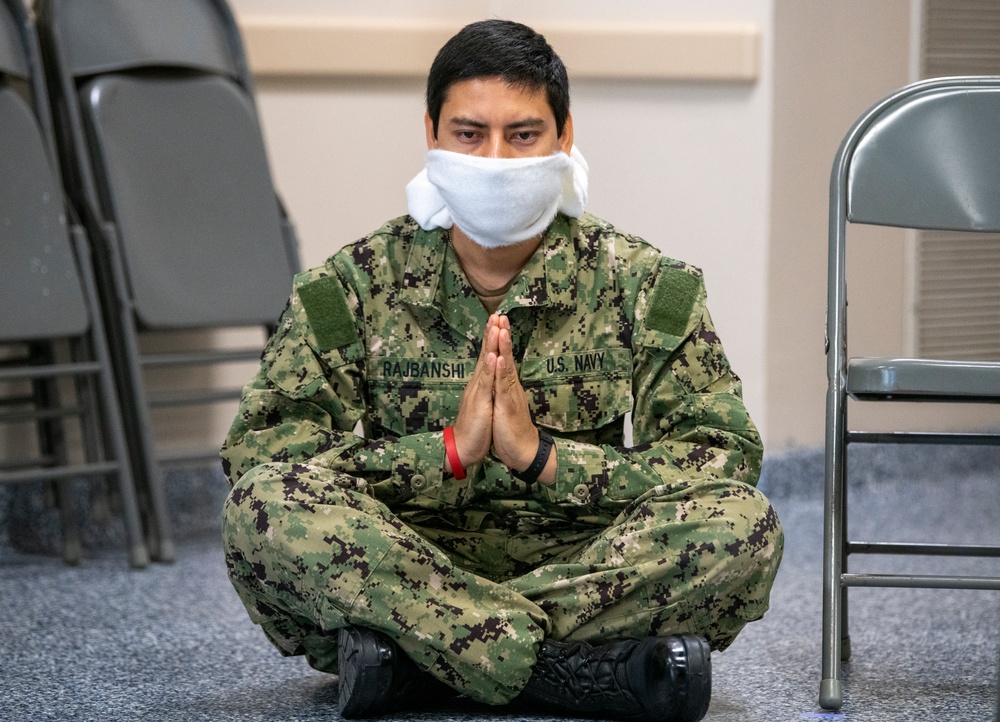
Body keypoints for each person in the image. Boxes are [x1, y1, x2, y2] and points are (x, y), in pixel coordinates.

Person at [221, 18, 783, 722]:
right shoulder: (353, 284)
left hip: (590, 559)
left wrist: (546, 460)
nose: (495, 159)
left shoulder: (645, 283)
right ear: (430, 134)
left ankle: (420, 661)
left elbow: (723, 458)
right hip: (403, 559)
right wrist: (445, 454)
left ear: (564, 135)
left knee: (743, 523)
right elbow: (264, 451)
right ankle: (571, 669)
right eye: (468, 133)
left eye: (523, 135)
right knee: (261, 506)